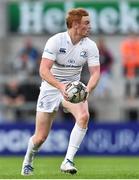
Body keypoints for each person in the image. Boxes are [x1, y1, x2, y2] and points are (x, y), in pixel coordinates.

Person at [21, 8, 100, 176]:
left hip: (73, 88)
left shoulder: (90, 45)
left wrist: (87, 89)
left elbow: (95, 73)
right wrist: (60, 86)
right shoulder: (56, 41)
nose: (90, 26)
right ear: (75, 24)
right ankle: (28, 159)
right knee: (40, 137)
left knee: (84, 116)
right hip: (51, 88)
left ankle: (68, 160)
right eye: (86, 23)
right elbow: (43, 70)